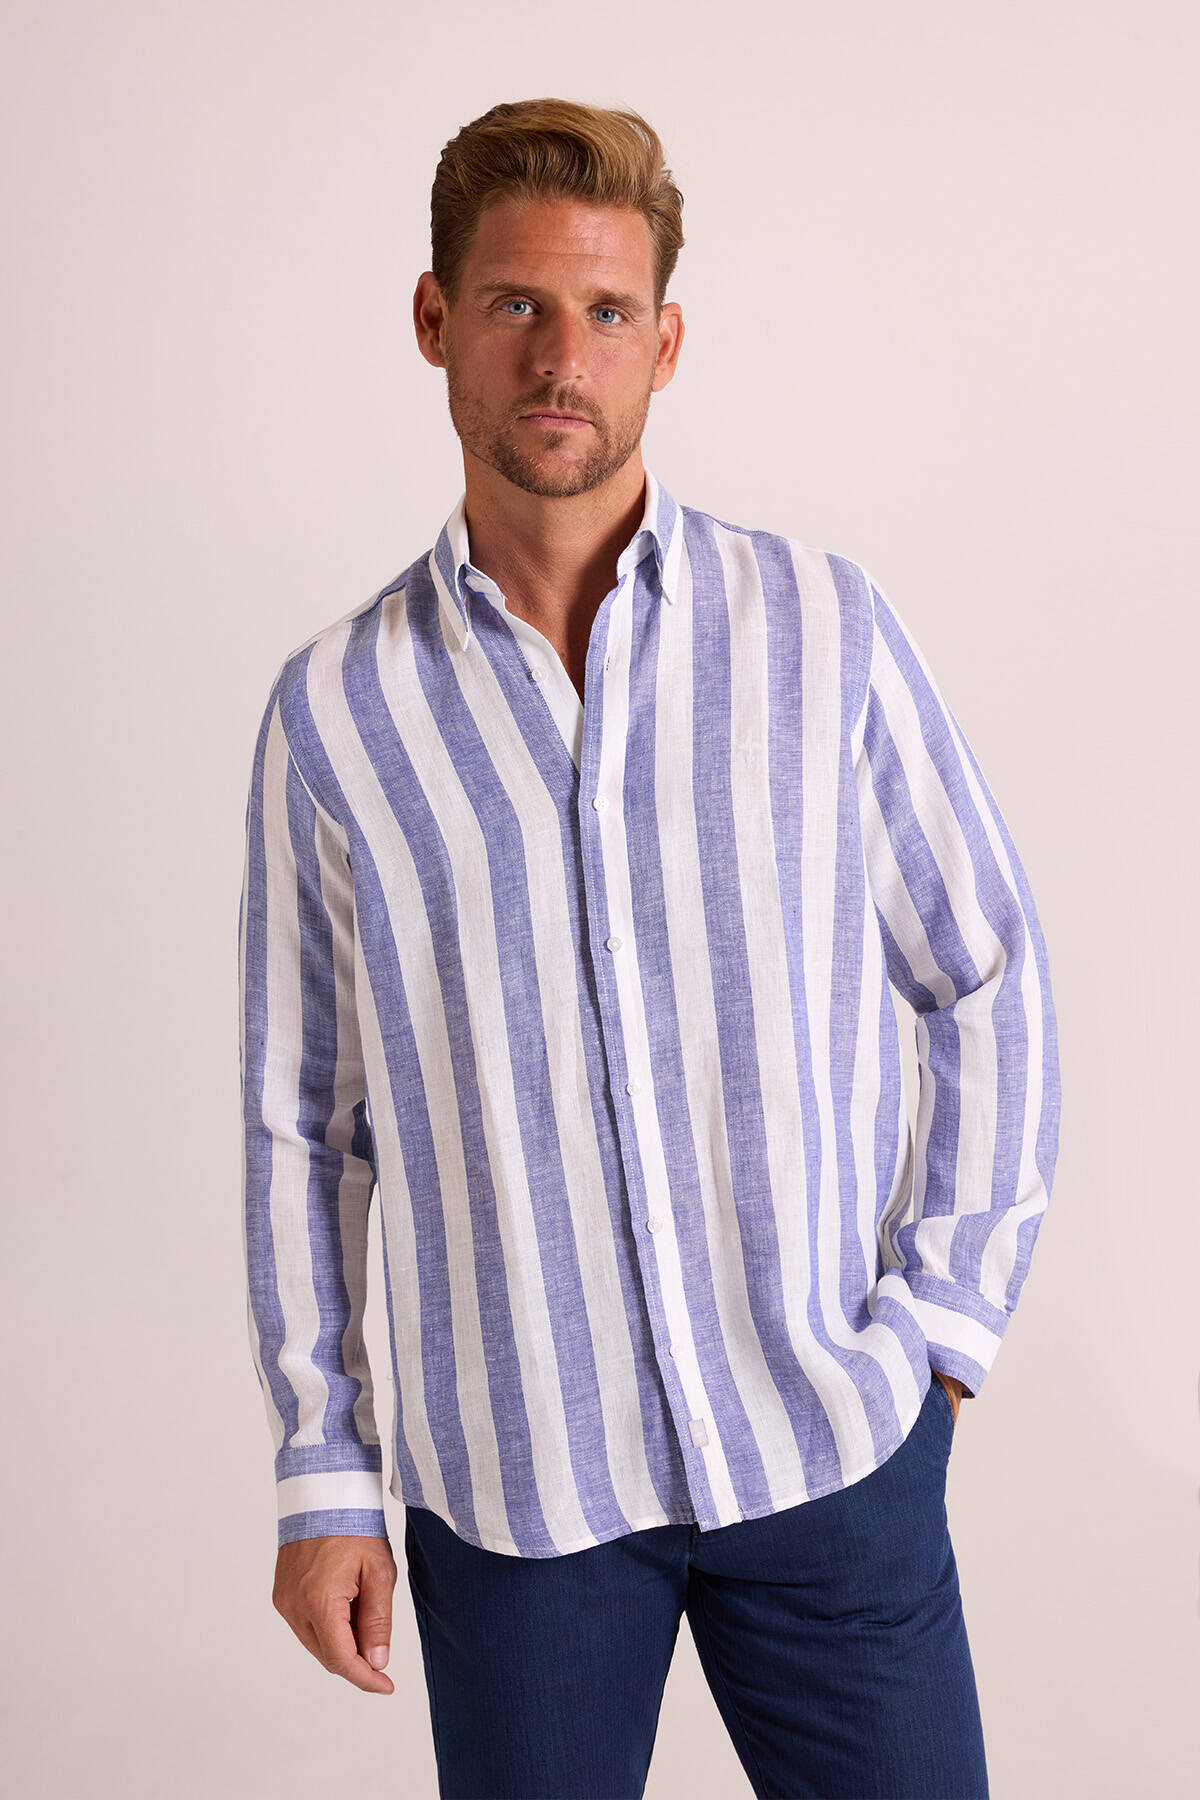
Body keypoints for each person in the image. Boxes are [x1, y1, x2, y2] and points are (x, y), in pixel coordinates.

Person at [238, 96, 1061, 1800]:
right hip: (519, 1505)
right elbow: (304, 1124)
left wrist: (941, 1333)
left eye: (608, 311)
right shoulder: (338, 712)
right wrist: (326, 1470)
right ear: (435, 321)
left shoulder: (821, 630)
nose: (563, 357)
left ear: (665, 344)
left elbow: (984, 970)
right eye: (517, 304)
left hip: (830, 1456)